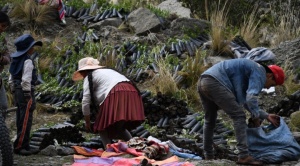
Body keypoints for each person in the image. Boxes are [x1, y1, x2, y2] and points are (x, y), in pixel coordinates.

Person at [197, 58, 284, 165]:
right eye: (271, 85)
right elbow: (251, 98)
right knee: (239, 116)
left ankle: (208, 156)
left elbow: (246, 101)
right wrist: (256, 118)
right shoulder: (260, 72)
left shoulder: (249, 70)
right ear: (270, 75)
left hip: (204, 80)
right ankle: (243, 156)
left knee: (209, 120)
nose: (267, 88)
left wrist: (266, 115)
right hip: (216, 82)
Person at [72, 57, 145, 148]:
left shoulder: (89, 77)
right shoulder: (108, 71)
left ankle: (108, 150)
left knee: (102, 127)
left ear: (83, 72)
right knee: (119, 127)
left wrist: (87, 121)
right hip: (132, 91)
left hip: (116, 92)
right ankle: (135, 146)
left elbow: (85, 101)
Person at [9, 34, 42, 155]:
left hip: (17, 91)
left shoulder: (16, 60)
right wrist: (28, 94)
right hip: (25, 91)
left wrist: (14, 89)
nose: (33, 49)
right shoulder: (28, 60)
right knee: (26, 119)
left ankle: (24, 144)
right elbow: (26, 79)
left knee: (20, 117)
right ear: (28, 48)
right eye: (32, 46)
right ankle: (20, 146)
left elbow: (11, 77)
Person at [0, 11, 11, 117]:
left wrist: (2, 58)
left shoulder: (2, 39)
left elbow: (8, 57)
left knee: (3, 106)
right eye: (2, 25)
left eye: (5, 27)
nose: (3, 29)